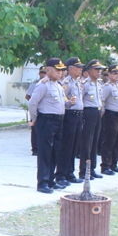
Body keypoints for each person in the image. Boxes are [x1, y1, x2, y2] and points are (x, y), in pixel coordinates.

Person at [29, 58, 68, 193]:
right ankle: (43, 182)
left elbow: (61, 103)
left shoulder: (58, 85)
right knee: (45, 152)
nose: (60, 73)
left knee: (55, 151)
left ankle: (51, 180)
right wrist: (35, 119)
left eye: (61, 70)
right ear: (49, 70)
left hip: (58, 120)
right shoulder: (43, 84)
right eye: (57, 70)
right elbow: (32, 103)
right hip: (46, 120)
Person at [58, 57, 85, 184]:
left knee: (74, 146)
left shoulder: (79, 82)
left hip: (78, 115)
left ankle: (70, 173)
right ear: (71, 69)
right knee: (67, 146)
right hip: (70, 115)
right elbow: (62, 99)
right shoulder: (67, 83)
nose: (81, 69)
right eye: (78, 67)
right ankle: (61, 174)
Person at [79, 60, 105, 180]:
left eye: (100, 69)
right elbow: (80, 100)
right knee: (87, 142)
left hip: (97, 112)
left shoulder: (99, 84)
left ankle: (92, 169)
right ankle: (84, 170)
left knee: (95, 141)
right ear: (89, 71)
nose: (99, 72)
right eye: (96, 69)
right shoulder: (85, 84)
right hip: (88, 112)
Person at [100, 65, 118, 175]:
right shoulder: (107, 86)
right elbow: (102, 101)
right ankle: (105, 165)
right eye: (114, 73)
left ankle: (113, 164)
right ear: (109, 74)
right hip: (111, 116)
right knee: (109, 141)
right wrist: (102, 113)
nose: (117, 75)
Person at [25, 67, 47, 155]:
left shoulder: (49, 83)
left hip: (44, 110)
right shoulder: (35, 84)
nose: (43, 75)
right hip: (36, 109)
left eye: (44, 73)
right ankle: (35, 149)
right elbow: (27, 96)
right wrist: (35, 103)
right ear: (39, 74)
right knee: (35, 130)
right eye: (42, 73)